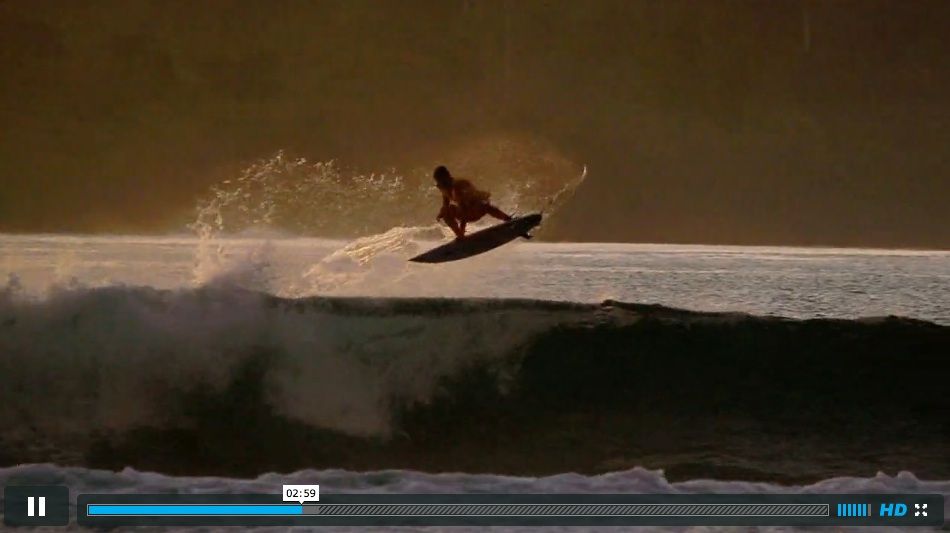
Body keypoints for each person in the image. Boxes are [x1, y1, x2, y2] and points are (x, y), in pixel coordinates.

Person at [433, 165, 512, 239]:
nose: (438, 186)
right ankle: (460, 235)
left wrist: (461, 232)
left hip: (476, 209)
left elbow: (464, 208)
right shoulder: (445, 189)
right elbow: (445, 205)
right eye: (438, 183)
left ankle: (508, 220)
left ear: (447, 178)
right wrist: (440, 215)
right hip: (467, 212)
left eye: (440, 182)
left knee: (484, 205)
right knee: (446, 211)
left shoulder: (457, 186)